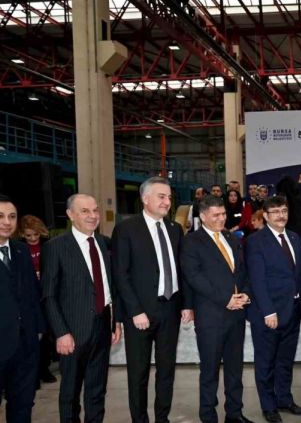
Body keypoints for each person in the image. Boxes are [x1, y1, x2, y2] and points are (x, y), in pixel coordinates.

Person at [112, 176, 194, 423]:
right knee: (138, 373)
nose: (167, 201)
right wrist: (135, 311)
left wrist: (187, 304)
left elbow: (182, 270)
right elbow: (120, 274)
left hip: (170, 310)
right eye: (161, 196)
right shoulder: (126, 229)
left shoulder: (175, 229)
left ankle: (162, 418)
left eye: (169, 197)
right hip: (140, 313)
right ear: (145, 198)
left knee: (166, 370)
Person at [42, 194, 122, 423]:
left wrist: (115, 321)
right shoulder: (56, 247)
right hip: (72, 331)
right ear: (70, 215)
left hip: (103, 326)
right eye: (85, 211)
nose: (93, 216)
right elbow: (48, 296)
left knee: (97, 390)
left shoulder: (105, 244)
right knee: (70, 392)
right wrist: (61, 332)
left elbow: (111, 287)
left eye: (95, 210)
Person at [181, 195, 254, 423]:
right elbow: (194, 277)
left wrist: (246, 293)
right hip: (211, 316)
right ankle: (208, 416)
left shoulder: (231, 237)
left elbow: (243, 270)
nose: (222, 219)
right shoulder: (192, 241)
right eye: (216, 215)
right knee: (210, 371)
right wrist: (225, 299)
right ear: (203, 217)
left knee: (235, 370)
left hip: (237, 314)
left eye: (223, 214)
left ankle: (235, 413)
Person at [246, 196, 301, 423]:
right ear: (265, 215)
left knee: (285, 361)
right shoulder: (255, 241)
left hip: (293, 310)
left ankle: (284, 399)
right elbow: (257, 280)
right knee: (266, 363)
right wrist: (268, 312)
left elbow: (299, 274)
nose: (281, 215)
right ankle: (268, 406)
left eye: (284, 210)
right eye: (275, 212)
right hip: (269, 313)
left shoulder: (295, 237)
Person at [0, 193, 45, 423]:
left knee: (23, 406)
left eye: (12, 216)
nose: (7, 222)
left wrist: (38, 330)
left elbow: (33, 294)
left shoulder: (21, 250)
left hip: (25, 347)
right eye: (0, 216)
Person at [19, 214, 56, 385]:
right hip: (29, 298)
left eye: (36, 234)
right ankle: (33, 372)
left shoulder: (48, 246)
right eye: (29, 235)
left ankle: (44, 368)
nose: (33, 238)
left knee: (47, 335)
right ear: (22, 234)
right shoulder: (19, 249)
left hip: (46, 295)